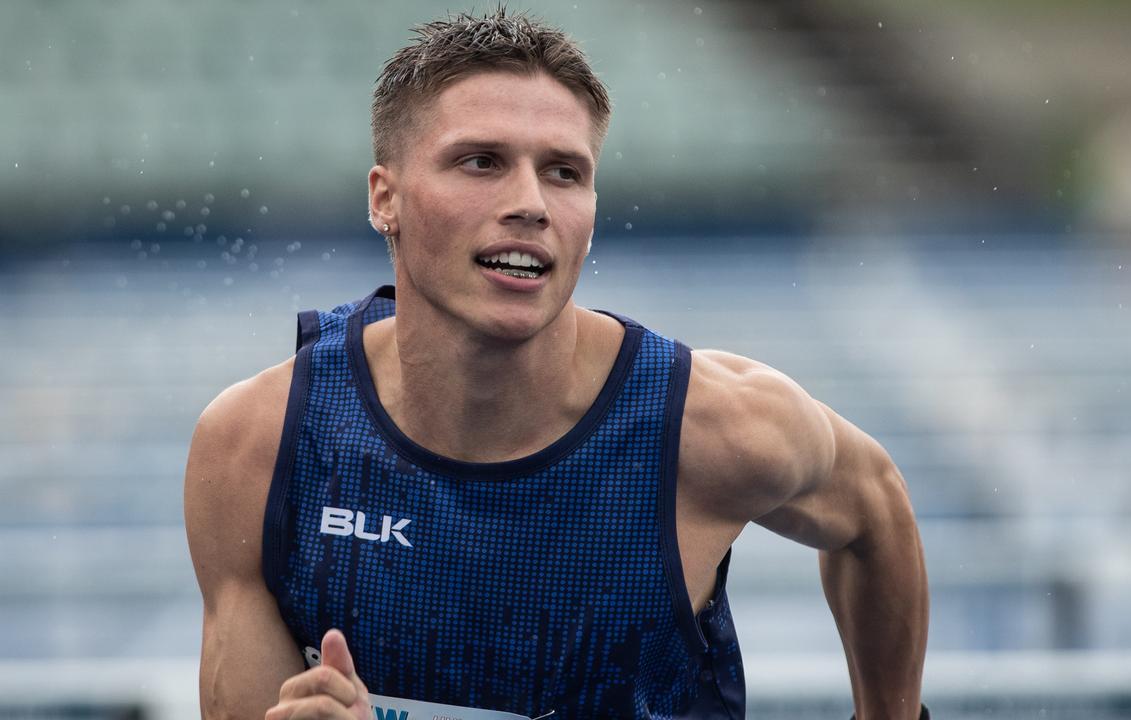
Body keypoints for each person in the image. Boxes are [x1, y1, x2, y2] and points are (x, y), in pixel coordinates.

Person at [184, 8, 929, 720]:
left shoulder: (712, 425)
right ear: (387, 198)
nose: (531, 203)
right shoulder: (259, 446)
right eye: (481, 162)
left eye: (565, 172)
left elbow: (875, 506)